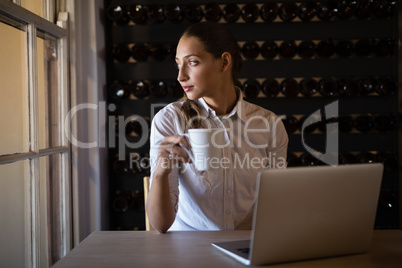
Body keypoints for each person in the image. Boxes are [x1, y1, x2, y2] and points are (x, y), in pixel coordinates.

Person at [146, 21, 288, 233]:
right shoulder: (169, 120)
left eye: (192, 62)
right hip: (188, 251)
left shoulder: (269, 124)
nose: (180, 76)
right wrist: (160, 174)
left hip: (247, 247)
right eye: (178, 64)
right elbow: (160, 225)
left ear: (223, 62)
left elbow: (276, 205)